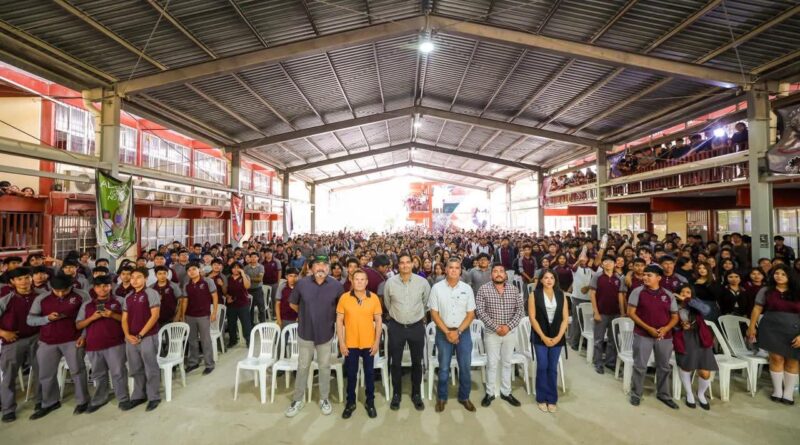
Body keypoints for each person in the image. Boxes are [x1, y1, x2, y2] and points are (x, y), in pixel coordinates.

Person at [284, 256, 343, 418]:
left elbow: (340, 309)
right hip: (306, 333)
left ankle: (324, 398)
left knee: (324, 367)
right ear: (311, 268)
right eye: (317, 264)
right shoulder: (301, 284)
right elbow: (293, 304)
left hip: (326, 334)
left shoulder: (336, 286)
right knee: (303, 366)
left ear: (329, 268)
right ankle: (298, 399)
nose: (321, 268)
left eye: (324, 265)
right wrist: (306, 315)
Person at [27, 274, 90, 419]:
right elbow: (30, 320)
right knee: (46, 374)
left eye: (64, 290)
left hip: (73, 340)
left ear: (72, 286)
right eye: (57, 291)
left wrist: (83, 336)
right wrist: (46, 318)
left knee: (77, 371)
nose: (61, 293)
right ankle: (50, 402)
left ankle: (83, 401)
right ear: (51, 288)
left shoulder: (82, 296)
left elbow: (88, 317)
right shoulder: (42, 299)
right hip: (47, 342)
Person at [75, 275, 131, 412]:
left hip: (115, 343)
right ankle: (100, 398)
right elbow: (79, 325)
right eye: (99, 286)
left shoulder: (120, 301)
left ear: (110, 287)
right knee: (98, 374)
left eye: (106, 286)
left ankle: (123, 398)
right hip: (93, 345)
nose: (102, 289)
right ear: (94, 288)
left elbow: (128, 320)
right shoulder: (87, 305)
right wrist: (93, 317)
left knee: (118, 372)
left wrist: (112, 315)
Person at [383, 253, 431, 411]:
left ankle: (416, 393)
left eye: (408, 262)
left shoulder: (422, 282)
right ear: (398, 266)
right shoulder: (390, 283)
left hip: (416, 327)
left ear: (413, 264)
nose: (405, 265)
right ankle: (396, 394)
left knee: (417, 362)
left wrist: (416, 315)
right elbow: (388, 304)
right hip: (396, 327)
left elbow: (426, 303)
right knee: (395, 362)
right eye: (401, 263)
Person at [627, 265, 680, 409]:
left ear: (659, 278)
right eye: (644, 274)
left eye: (649, 275)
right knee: (640, 366)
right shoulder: (637, 292)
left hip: (664, 336)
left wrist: (666, 329)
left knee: (664, 366)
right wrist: (648, 328)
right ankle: (636, 394)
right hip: (643, 334)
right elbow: (631, 313)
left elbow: (675, 316)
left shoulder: (668, 295)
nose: (645, 277)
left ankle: (663, 394)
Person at [747, 264, 799, 405]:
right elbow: (757, 309)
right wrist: (752, 326)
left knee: (793, 360)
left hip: (794, 330)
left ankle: (788, 393)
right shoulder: (765, 291)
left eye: (783, 274)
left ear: (790, 276)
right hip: (770, 328)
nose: (779, 276)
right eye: (776, 273)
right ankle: (777, 390)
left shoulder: (798, 291)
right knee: (776, 358)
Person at [428, 258, 476, 413]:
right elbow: (434, 314)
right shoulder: (436, 288)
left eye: (457, 268)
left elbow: (470, 314)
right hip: (444, 332)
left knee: (465, 367)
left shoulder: (467, 288)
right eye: (451, 267)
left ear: (460, 270)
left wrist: (458, 332)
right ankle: (442, 397)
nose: (454, 270)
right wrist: (448, 332)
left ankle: (464, 397)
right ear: (445, 269)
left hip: (463, 332)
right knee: (443, 367)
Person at [475, 264, 524, 408]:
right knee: (492, 363)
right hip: (492, 333)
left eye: (501, 271)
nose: (498, 274)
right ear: (491, 275)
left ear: (505, 275)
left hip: (509, 333)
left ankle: (506, 392)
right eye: (495, 271)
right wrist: (496, 327)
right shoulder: (484, 289)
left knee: (507, 362)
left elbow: (520, 311)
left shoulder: (514, 290)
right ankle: (490, 393)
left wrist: (508, 326)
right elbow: (480, 311)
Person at [336, 269, 382, 419]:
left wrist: (376, 342)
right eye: (357, 279)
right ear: (352, 281)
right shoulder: (344, 298)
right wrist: (341, 343)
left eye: (363, 279)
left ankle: (370, 402)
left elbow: (379, 322)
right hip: (350, 343)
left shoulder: (374, 298)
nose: (360, 282)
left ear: (367, 282)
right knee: (351, 374)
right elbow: (339, 321)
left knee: (369, 374)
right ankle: (350, 402)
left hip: (369, 343)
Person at [0, 267, 43, 422]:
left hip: (37, 338)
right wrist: (4, 333)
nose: (24, 282)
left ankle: (40, 401)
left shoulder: (40, 296)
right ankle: (8, 409)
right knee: (9, 375)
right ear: (12, 281)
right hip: (13, 342)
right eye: (19, 279)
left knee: (40, 370)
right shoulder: (6, 299)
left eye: (26, 277)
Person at [528, 269, 569, 413]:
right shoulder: (534, 295)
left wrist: (558, 337)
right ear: (541, 280)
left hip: (557, 336)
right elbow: (532, 318)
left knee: (552, 367)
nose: (549, 280)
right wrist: (543, 337)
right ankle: (541, 398)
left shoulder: (561, 295)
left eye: (552, 278)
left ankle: (552, 398)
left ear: (555, 280)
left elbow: (565, 318)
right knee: (542, 366)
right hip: (540, 336)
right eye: (546, 278)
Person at [672, 284, 718, 410]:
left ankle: (701, 394)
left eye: (688, 292)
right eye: (682, 292)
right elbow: (669, 322)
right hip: (683, 338)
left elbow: (706, 310)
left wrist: (686, 300)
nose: (685, 294)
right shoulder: (674, 305)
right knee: (686, 367)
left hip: (700, 338)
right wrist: (679, 327)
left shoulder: (695, 303)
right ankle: (689, 394)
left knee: (705, 372)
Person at [122, 268, 161, 411]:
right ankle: (139, 395)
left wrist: (140, 335)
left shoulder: (151, 293)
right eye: (132, 277)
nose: (134, 280)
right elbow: (124, 318)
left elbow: (154, 316)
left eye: (138, 277)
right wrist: (127, 335)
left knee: (150, 367)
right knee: (135, 368)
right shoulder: (129, 297)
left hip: (147, 337)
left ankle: (154, 396)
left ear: (145, 279)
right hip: (131, 339)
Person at [589, 256, 627, 374]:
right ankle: (598, 362)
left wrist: (621, 313)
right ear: (602, 264)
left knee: (612, 340)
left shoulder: (619, 278)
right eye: (606, 262)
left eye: (611, 261)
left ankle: (610, 362)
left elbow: (621, 296)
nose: (608, 264)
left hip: (615, 313)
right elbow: (592, 294)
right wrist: (596, 312)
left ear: (615, 264)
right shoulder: (597, 276)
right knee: (598, 340)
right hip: (601, 313)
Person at [182, 262, 218, 375]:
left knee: (205, 340)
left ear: (199, 270)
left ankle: (209, 364)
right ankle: (193, 362)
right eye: (189, 270)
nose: (191, 272)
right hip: (190, 315)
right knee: (192, 340)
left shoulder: (208, 281)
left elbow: (215, 296)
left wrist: (214, 312)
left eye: (194, 269)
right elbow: (185, 300)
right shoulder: (186, 284)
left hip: (203, 315)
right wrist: (183, 315)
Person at [569, 254, 594, 350]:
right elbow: (574, 267)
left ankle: (584, 342)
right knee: (576, 320)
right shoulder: (576, 269)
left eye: (585, 257)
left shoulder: (590, 269)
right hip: (577, 298)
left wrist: (588, 287)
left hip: (588, 299)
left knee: (586, 322)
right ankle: (574, 342)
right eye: (581, 257)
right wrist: (579, 260)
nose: (584, 259)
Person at [225, 262, 252, 348]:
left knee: (246, 323)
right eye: (233, 268)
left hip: (243, 303)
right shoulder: (228, 278)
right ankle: (233, 340)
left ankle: (248, 340)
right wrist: (227, 297)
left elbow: (247, 286)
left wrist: (243, 274)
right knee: (231, 323)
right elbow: (225, 291)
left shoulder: (245, 276)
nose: (235, 269)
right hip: (231, 304)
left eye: (238, 267)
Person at [244, 253, 266, 324]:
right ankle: (251, 324)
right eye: (252, 257)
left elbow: (259, 279)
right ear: (249, 258)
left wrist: (249, 279)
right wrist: (253, 278)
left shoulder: (261, 267)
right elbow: (244, 279)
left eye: (255, 257)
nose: (253, 258)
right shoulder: (246, 267)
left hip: (258, 290)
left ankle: (263, 324)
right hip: (249, 290)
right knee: (250, 309)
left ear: (258, 258)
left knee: (261, 308)